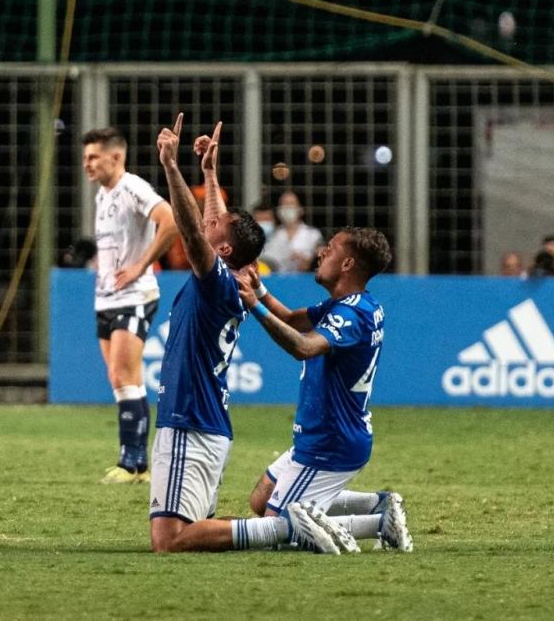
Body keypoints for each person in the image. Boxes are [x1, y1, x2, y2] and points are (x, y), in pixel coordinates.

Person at [149, 114, 345, 554]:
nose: (206, 218)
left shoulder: (217, 280)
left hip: (190, 420)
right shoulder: (235, 276)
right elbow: (214, 230)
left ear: (220, 249)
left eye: (212, 225)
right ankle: (290, 526)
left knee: (170, 540)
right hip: (202, 421)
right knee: (192, 531)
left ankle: (289, 527)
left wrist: (171, 167)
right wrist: (210, 173)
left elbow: (193, 230)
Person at [235, 227, 413, 554]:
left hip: (330, 441)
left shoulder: (350, 314)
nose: (320, 252)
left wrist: (253, 307)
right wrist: (259, 291)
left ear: (346, 264)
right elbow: (290, 318)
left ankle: (374, 525)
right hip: (328, 435)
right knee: (261, 500)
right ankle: (379, 506)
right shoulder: (353, 304)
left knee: (276, 528)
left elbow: (303, 346)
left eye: (329, 249)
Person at [83, 126, 180, 484]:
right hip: (106, 297)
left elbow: (169, 220)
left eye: (93, 157)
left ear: (116, 156)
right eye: (85, 158)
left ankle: (131, 462)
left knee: (123, 375)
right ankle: (139, 465)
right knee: (121, 379)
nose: (87, 164)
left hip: (135, 296)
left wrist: (141, 265)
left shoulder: (133, 187)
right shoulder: (102, 195)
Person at [261, 189, 324, 273]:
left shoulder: (313, 235)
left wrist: (308, 262)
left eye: (291, 204)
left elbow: (319, 259)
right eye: (284, 204)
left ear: (301, 209)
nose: (287, 207)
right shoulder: (273, 235)